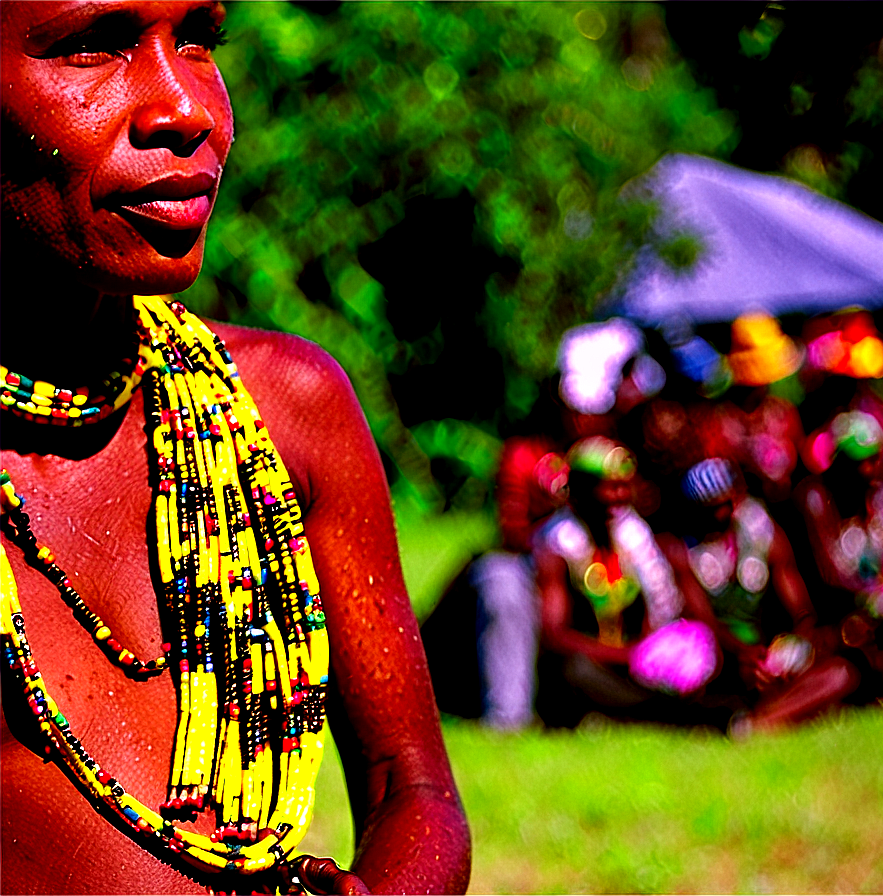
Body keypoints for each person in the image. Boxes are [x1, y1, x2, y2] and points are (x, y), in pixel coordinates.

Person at [0, 3, 470, 894]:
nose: (187, 108)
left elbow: (413, 788)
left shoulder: (286, 414)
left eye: (199, 38)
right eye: (91, 45)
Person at [533, 436, 719, 728]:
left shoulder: (632, 534)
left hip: (633, 658)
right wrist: (624, 656)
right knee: (574, 671)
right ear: (580, 490)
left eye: (623, 487)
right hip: (591, 659)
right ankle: (660, 713)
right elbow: (554, 635)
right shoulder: (555, 545)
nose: (619, 497)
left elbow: (660, 604)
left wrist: (654, 651)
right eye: (609, 487)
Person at [677, 458, 860, 735]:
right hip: (719, 663)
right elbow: (703, 622)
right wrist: (744, 653)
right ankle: (777, 717)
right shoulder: (681, 550)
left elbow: (801, 610)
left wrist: (792, 648)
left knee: (840, 675)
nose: (721, 514)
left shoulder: (764, 537)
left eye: (727, 504)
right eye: (711, 508)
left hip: (763, 657)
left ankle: (757, 725)